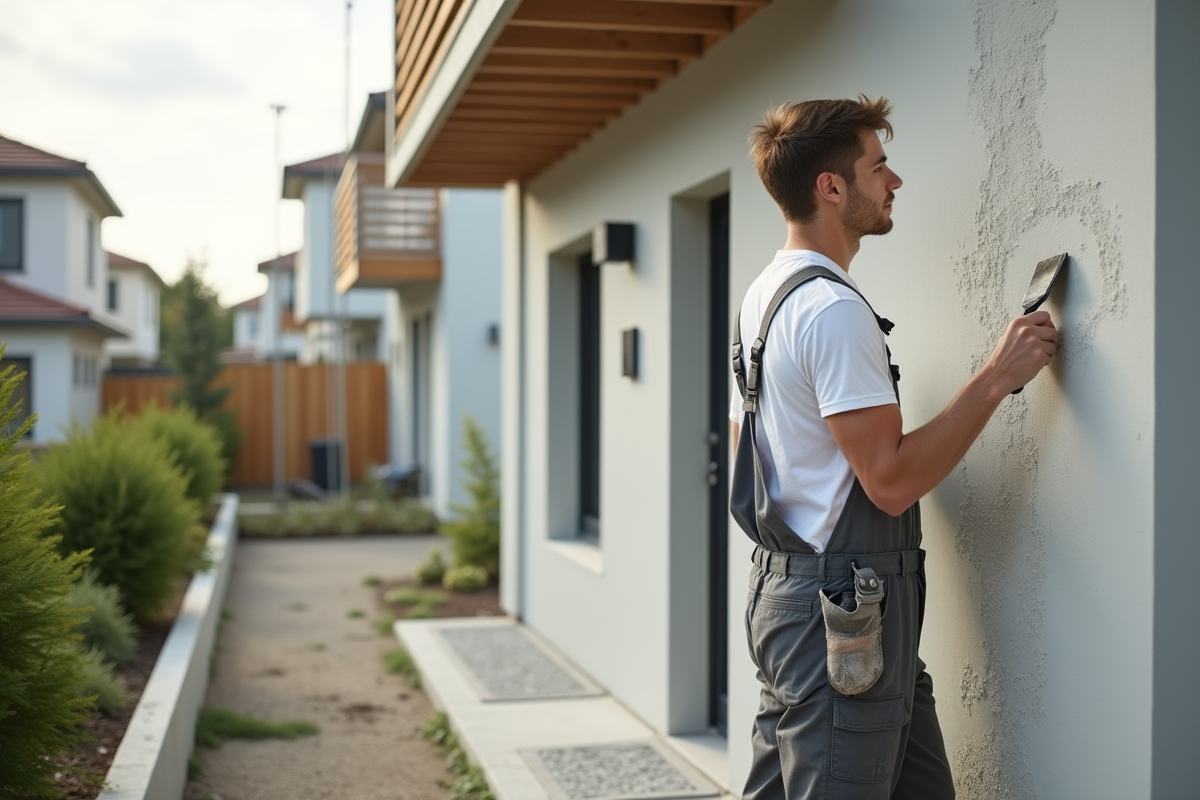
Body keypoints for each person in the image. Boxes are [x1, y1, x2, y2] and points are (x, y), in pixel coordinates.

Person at [729, 96, 1059, 799]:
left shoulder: (764, 297)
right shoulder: (833, 310)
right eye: (879, 167)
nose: (895, 181)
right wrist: (996, 378)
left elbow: (745, 441)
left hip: (796, 592)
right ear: (831, 187)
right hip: (843, 609)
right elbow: (889, 481)